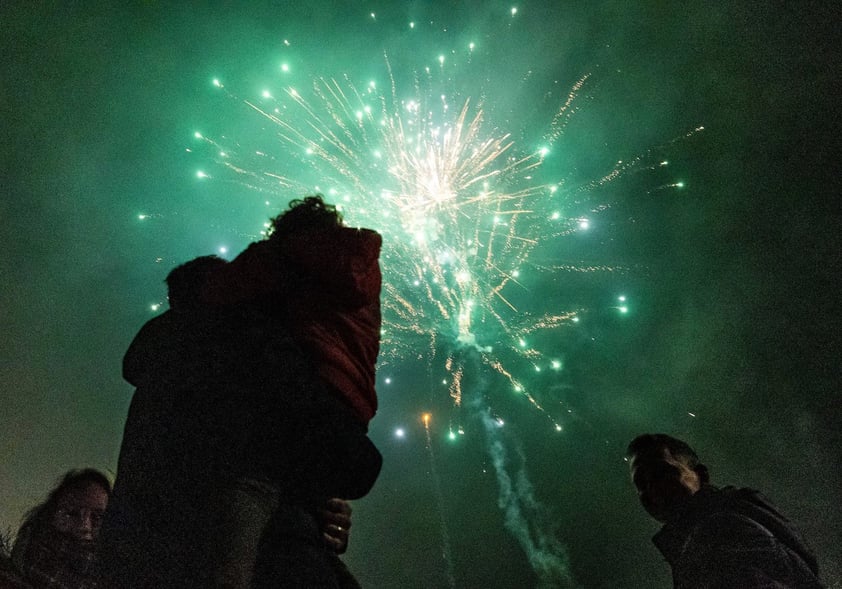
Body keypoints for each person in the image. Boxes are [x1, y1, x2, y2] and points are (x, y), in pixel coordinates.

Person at [103, 238, 377, 587]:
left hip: (138, 560)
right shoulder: (245, 339)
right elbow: (349, 460)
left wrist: (314, 508)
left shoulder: (162, 359)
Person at [627, 433, 824, 588]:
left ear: (701, 474)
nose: (653, 488)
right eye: (642, 484)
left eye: (662, 473)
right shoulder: (714, 530)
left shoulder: (718, 531)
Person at [9, 469, 111, 589]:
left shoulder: (115, 569)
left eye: (98, 517)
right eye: (72, 513)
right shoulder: (28, 559)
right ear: (52, 514)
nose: (85, 526)